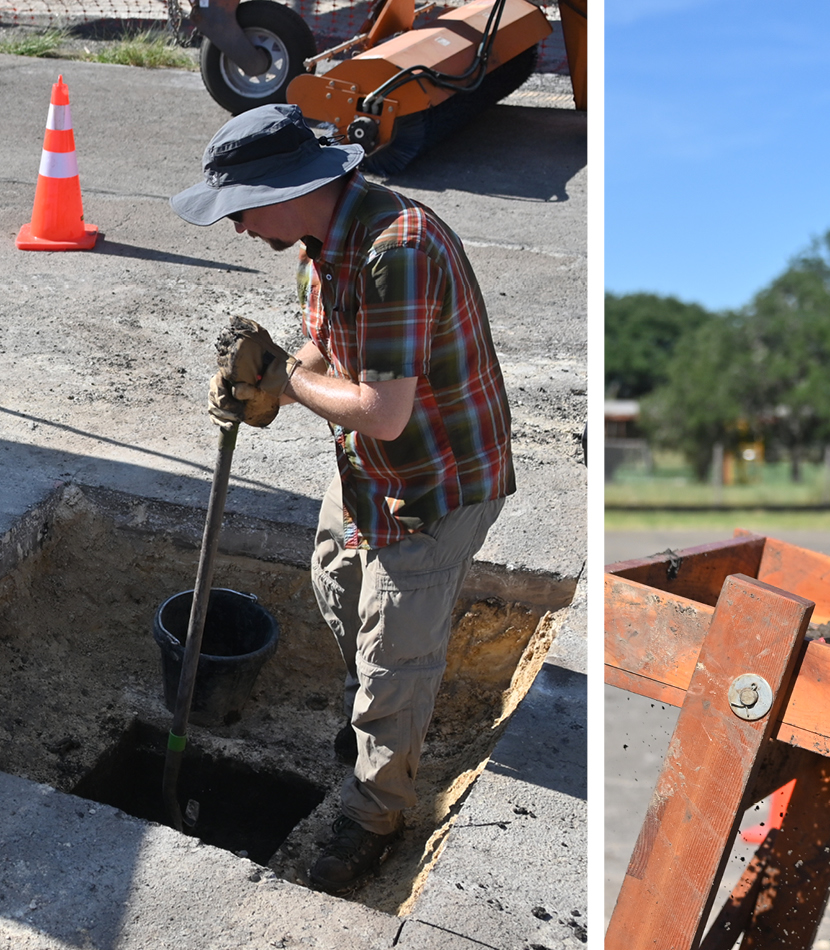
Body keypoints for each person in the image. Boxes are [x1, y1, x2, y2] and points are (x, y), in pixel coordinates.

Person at [170, 105, 515, 893]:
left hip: (436, 481)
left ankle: (375, 814)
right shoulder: (320, 244)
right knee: (334, 580)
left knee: (394, 651)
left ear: (286, 190)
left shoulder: (401, 251)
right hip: (371, 470)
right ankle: (374, 718)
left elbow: (385, 413)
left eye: (239, 210)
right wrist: (274, 382)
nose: (235, 229)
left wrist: (286, 381)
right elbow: (328, 347)